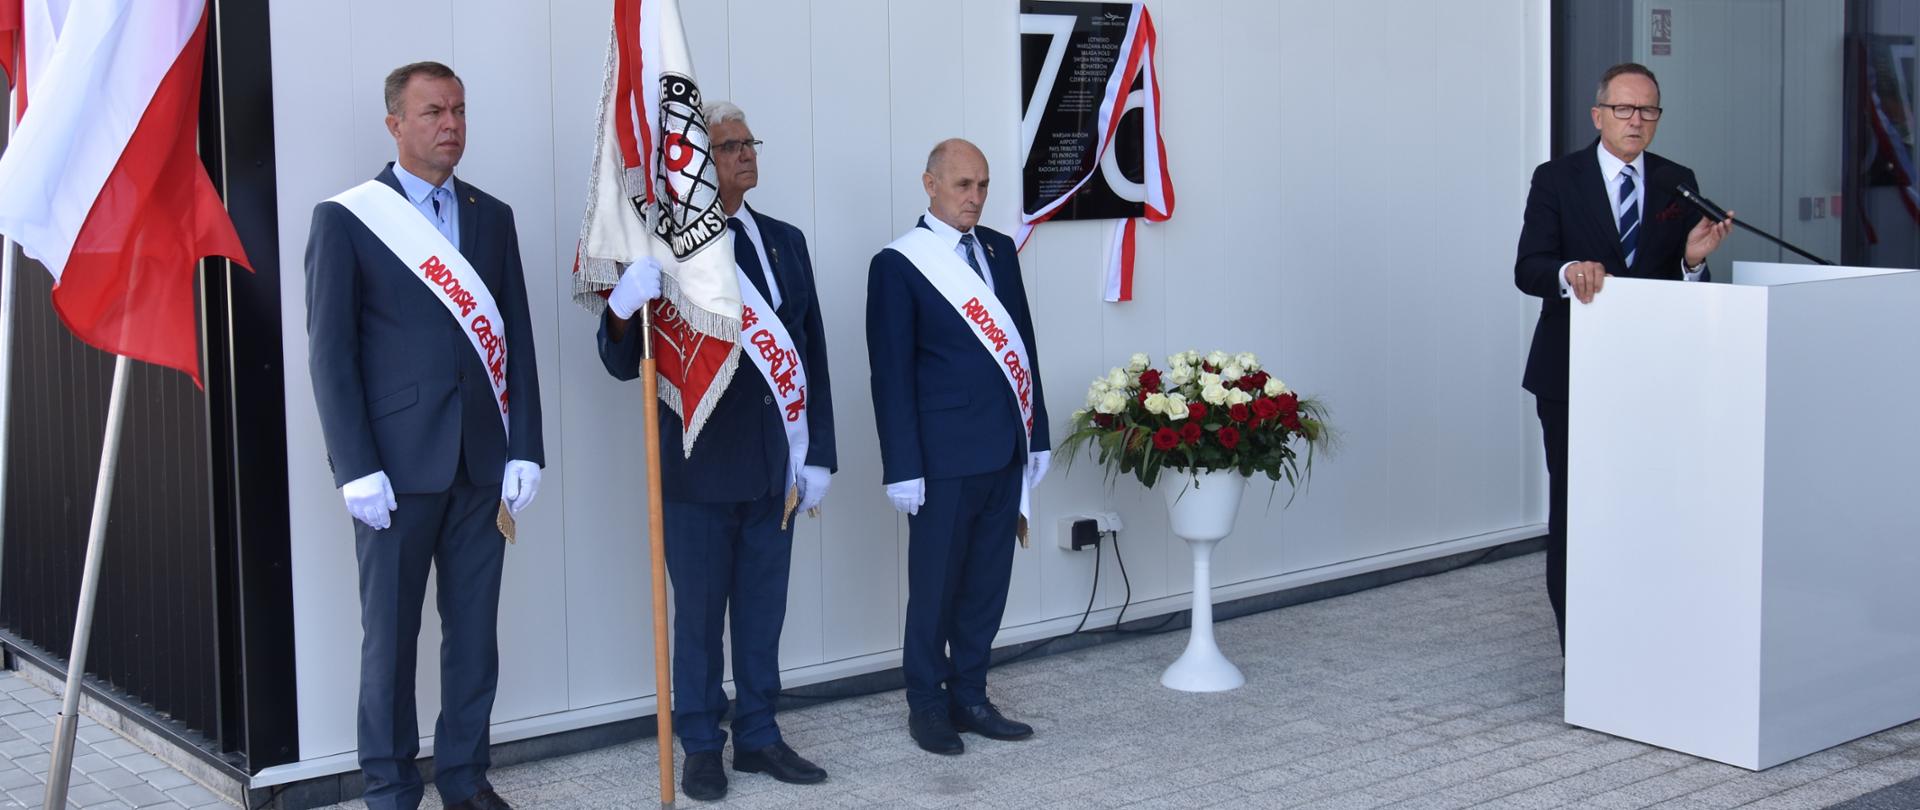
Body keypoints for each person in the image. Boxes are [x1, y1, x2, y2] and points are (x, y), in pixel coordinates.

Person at [304, 62, 543, 810]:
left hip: (480, 463)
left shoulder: (492, 215)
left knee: (473, 637)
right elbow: (330, 354)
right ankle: (389, 788)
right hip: (395, 471)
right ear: (395, 124)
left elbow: (517, 337)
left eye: (459, 110)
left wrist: (526, 445)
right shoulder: (348, 218)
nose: (451, 124)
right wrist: (354, 465)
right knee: (391, 639)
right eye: (434, 111)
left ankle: (466, 780)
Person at [596, 101, 837, 801]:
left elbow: (811, 351)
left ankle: (759, 735)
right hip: (698, 468)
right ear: (696, 162)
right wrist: (622, 306)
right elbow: (621, 362)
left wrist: (817, 451)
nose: (745, 154)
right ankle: (701, 744)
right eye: (729, 146)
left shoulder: (784, 240)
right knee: (699, 624)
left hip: (773, 468)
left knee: (763, 617)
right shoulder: (666, 247)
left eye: (749, 142)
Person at [1514, 62, 1733, 650]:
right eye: (1624, 109)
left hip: (1653, 378)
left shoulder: (1676, 181)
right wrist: (1568, 272)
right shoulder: (1557, 179)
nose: (1636, 120)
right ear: (1598, 115)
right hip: (1571, 376)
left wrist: (1692, 261)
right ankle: (1582, 658)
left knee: (1649, 511)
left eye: (1648, 110)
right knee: (1578, 514)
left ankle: (1643, 646)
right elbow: (1529, 267)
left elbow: (1681, 284)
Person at [866, 138, 1052, 755]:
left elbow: (1023, 346)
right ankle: (927, 703)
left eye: (983, 185)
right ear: (931, 184)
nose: (975, 197)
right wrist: (902, 465)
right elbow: (891, 373)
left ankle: (971, 694)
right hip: (940, 459)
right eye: (963, 185)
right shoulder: (899, 264)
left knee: (986, 584)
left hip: (1003, 449)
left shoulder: (998, 249)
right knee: (936, 588)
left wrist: (1037, 433)